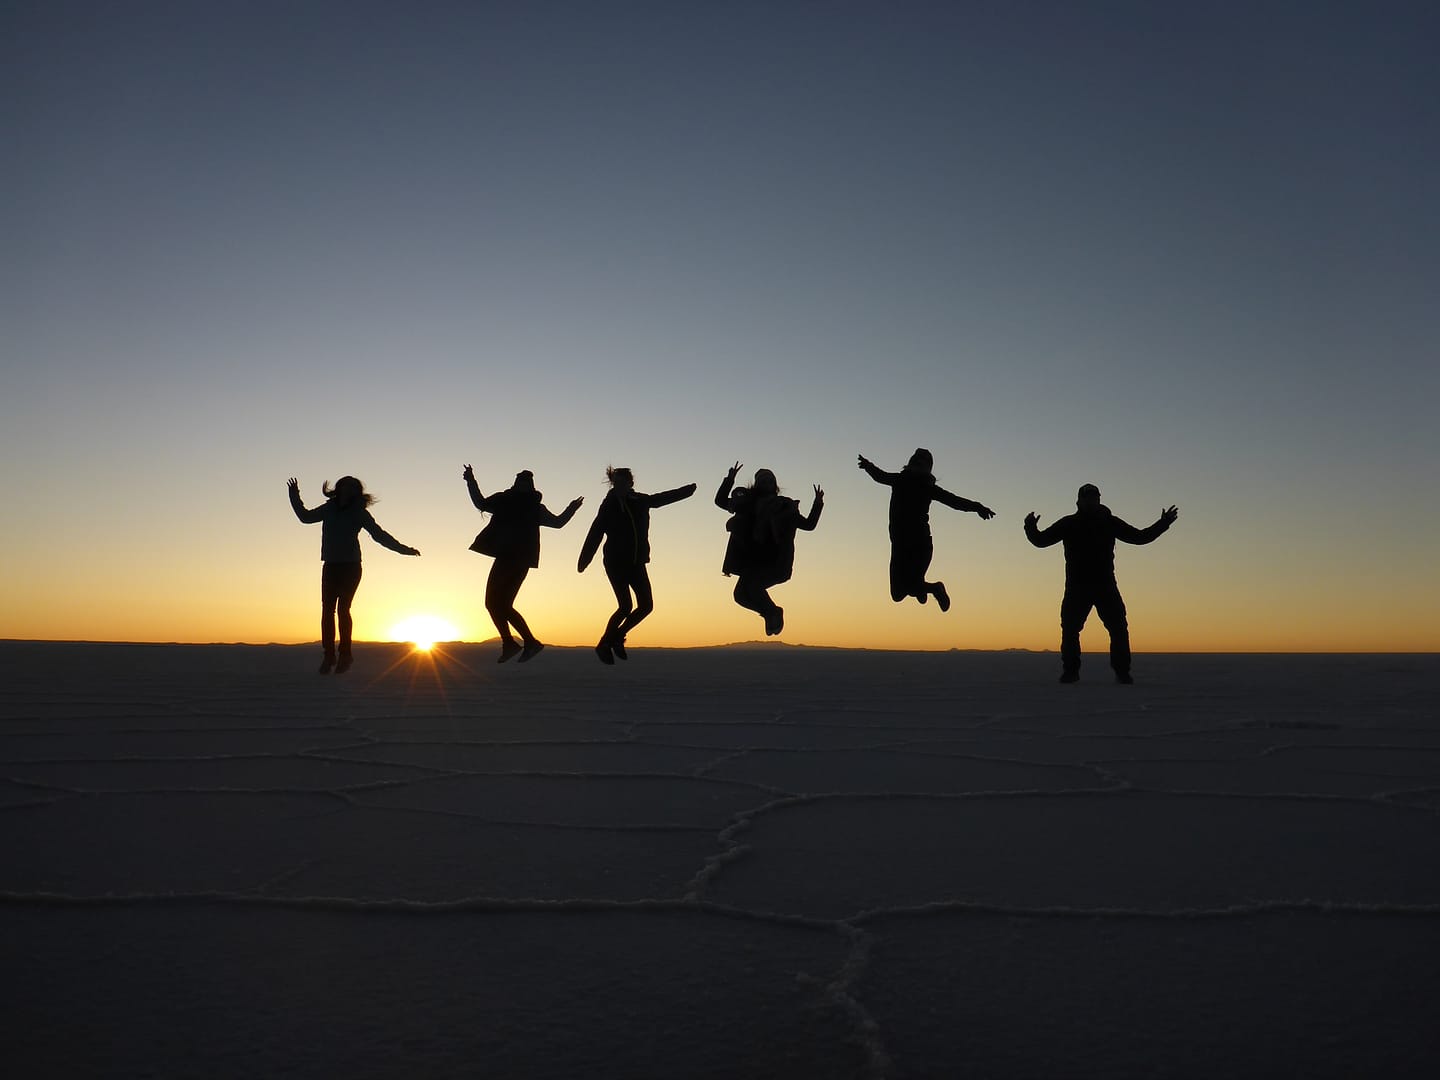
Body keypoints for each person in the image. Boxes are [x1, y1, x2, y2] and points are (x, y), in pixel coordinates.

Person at [1024, 483, 1178, 684]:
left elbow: (1140, 537)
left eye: (1094, 498)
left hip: (1105, 585)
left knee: (1118, 628)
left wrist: (1163, 523)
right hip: (1077, 587)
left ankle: (1122, 672)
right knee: (1070, 629)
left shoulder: (1109, 522)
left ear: (1098, 500)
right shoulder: (1069, 524)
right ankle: (1071, 672)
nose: (1090, 501)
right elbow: (1041, 541)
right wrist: (1030, 527)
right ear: (1079, 501)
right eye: (1087, 498)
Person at [287, 476, 420, 674]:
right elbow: (305, 517)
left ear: (355, 492)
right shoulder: (329, 508)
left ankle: (345, 655)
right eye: (344, 486)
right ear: (338, 489)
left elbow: (379, 535)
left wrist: (404, 549)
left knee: (343, 609)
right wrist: (294, 496)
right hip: (330, 565)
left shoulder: (359, 513)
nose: (347, 490)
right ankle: (329, 655)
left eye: (351, 488)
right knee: (327, 611)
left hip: (351, 567)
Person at [577, 467, 697, 664]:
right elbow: (595, 532)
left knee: (646, 606)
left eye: (623, 482)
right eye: (616, 483)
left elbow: (660, 499)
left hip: (637, 562)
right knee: (625, 606)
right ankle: (604, 644)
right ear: (613, 484)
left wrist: (685, 491)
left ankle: (615, 638)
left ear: (630, 483)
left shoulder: (640, 501)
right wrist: (584, 560)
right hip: (615, 562)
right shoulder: (608, 506)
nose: (620, 486)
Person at [464, 465, 582, 663]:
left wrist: (571, 509)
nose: (524, 485)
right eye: (521, 481)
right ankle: (521, 642)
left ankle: (518, 642)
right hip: (506, 557)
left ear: (531, 486)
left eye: (527, 482)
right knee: (497, 604)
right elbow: (480, 503)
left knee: (497, 604)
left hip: (518, 560)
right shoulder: (504, 500)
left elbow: (558, 523)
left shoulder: (534, 508)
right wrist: (470, 481)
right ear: (516, 483)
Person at [857, 449, 995, 610]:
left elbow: (954, 501)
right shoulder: (900, 479)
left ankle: (932, 588)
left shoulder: (925, 486)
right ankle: (922, 590)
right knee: (897, 594)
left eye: (920, 461)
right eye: (916, 460)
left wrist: (977, 507)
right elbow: (880, 476)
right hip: (900, 546)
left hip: (919, 546)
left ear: (926, 467)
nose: (917, 463)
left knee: (909, 587)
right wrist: (868, 466)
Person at [715, 462, 823, 637]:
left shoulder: (784, 506)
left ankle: (773, 613)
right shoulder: (746, 504)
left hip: (776, 563)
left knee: (751, 588)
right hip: (753, 562)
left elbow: (809, 525)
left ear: (775, 485)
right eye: (763, 481)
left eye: (769, 481)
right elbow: (720, 501)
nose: (766, 484)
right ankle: (770, 614)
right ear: (757, 485)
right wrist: (730, 480)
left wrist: (817, 504)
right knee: (740, 596)